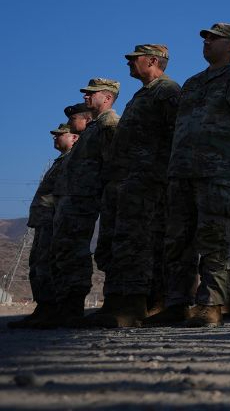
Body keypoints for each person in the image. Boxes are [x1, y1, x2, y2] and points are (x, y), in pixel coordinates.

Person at [147, 23, 230, 328]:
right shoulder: (193, 83)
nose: (207, 42)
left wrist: (223, 155)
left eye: (214, 38)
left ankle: (210, 305)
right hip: (182, 172)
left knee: (215, 238)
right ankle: (177, 303)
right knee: (178, 239)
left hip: (218, 173)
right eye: (206, 38)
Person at [82, 44, 180, 328]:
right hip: (128, 180)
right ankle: (116, 301)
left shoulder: (168, 91)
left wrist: (162, 175)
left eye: (133, 59)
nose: (128, 64)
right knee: (122, 241)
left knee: (139, 241)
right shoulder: (142, 94)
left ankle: (136, 304)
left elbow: (176, 134)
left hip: (149, 178)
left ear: (152, 61)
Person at [40, 78, 121, 328]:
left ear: (106, 98)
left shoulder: (109, 125)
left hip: (87, 198)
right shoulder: (94, 127)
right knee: (64, 250)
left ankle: (72, 307)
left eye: (91, 94)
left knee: (74, 250)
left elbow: (112, 164)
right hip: (73, 197)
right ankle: (62, 307)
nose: (86, 97)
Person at [9, 123, 79, 329]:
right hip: (44, 220)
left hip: (55, 220)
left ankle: (52, 309)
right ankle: (44, 308)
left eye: (60, 135)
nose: (55, 138)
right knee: (38, 263)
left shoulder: (73, 161)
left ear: (74, 138)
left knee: (48, 262)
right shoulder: (60, 161)